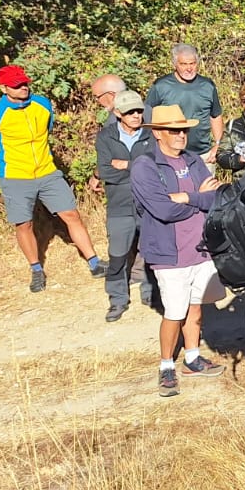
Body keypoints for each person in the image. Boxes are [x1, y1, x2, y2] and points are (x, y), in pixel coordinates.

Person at [0, 64, 105, 292]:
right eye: (17, 85)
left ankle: (94, 261)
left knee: (71, 214)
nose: (23, 88)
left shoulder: (42, 104)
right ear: (4, 88)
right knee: (24, 223)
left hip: (48, 172)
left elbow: (46, 130)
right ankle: (36, 269)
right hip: (15, 176)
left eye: (25, 83)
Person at [129, 104, 227, 398]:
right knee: (174, 311)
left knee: (196, 307)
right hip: (168, 253)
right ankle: (166, 365)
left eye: (183, 129)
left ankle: (193, 358)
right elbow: (161, 209)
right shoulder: (145, 166)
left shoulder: (194, 160)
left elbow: (217, 197)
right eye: (174, 130)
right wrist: (198, 198)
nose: (180, 135)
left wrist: (185, 197)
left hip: (200, 248)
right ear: (158, 133)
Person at [94, 90, 157, 321]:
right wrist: (137, 168)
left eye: (139, 110)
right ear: (118, 113)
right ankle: (117, 300)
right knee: (118, 255)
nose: (136, 115)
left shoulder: (151, 135)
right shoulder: (105, 137)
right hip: (119, 206)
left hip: (148, 203)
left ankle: (150, 294)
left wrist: (126, 165)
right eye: (130, 111)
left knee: (150, 250)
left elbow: (156, 169)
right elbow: (106, 172)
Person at [144, 43, 223, 162]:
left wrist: (218, 145)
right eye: (184, 64)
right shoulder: (161, 86)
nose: (189, 68)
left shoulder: (207, 85)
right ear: (175, 64)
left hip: (203, 155)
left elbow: (215, 115)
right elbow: (148, 116)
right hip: (169, 154)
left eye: (192, 63)